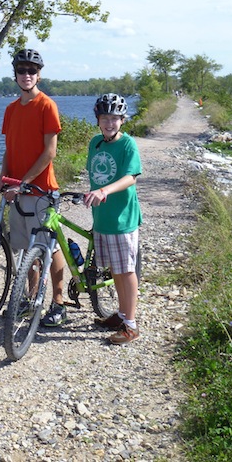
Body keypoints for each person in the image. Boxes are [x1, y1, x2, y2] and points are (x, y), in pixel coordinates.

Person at [0, 48, 67, 327]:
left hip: (41, 191)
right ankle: (31, 299)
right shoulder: (11, 109)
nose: (26, 75)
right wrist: (3, 177)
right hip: (17, 192)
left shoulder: (47, 105)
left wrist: (24, 182)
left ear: (39, 74)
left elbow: (49, 152)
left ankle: (58, 303)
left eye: (32, 71)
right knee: (26, 251)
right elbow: (10, 150)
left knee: (49, 248)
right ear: (15, 75)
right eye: (21, 71)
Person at [83, 93, 143, 344]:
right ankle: (121, 314)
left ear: (122, 120)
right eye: (105, 118)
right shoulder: (96, 143)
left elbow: (131, 177)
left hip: (122, 218)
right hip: (102, 218)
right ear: (98, 120)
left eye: (114, 118)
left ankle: (131, 325)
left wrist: (104, 191)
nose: (109, 123)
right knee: (114, 270)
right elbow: (94, 175)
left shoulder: (127, 144)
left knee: (126, 270)